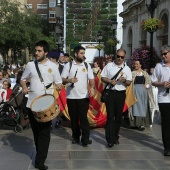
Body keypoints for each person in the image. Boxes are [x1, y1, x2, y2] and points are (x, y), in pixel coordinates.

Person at [20, 40, 62, 170]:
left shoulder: (53, 66)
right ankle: (40, 153)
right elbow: (22, 79)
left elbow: (59, 82)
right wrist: (24, 87)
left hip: (46, 105)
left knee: (44, 133)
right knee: (36, 132)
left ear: (46, 52)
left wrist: (59, 86)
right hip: (32, 103)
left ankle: (40, 161)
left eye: (39, 51)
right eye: (36, 50)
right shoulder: (30, 65)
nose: (36, 53)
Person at [61, 46, 95, 147]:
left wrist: (92, 87)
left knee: (83, 118)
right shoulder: (69, 65)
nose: (83, 55)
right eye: (81, 53)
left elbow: (91, 79)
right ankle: (76, 136)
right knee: (74, 119)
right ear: (75, 54)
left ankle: (85, 139)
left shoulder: (86, 65)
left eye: (84, 53)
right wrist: (69, 80)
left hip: (83, 97)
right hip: (71, 97)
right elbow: (62, 79)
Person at [101, 49, 132, 148]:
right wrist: (110, 81)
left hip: (120, 94)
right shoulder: (109, 66)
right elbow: (102, 77)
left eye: (122, 57)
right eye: (118, 56)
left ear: (124, 57)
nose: (119, 58)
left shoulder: (127, 68)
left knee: (118, 117)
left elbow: (129, 83)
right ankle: (109, 139)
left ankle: (115, 136)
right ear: (115, 55)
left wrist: (124, 80)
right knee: (110, 116)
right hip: (110, 93)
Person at [151, 45, 170, 156]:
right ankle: (167, 147)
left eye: (165, 53)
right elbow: (153, 81)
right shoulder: (159, 66)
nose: (163, 56)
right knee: (166, 124)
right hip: (164, 99)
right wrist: (162, 84)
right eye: (162, 54)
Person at [129, 60, 154, 130]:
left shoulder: (145, 73)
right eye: (135, 64)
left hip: (143, 93)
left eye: (137, 64)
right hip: (134, 92)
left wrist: (146, 86)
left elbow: (149, 82)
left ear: (140, 65)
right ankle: (134, 123)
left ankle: (142, 124)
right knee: (135, 107)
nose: (135, 65)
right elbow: (129, 82)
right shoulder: (132, 73)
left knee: (143, 107)